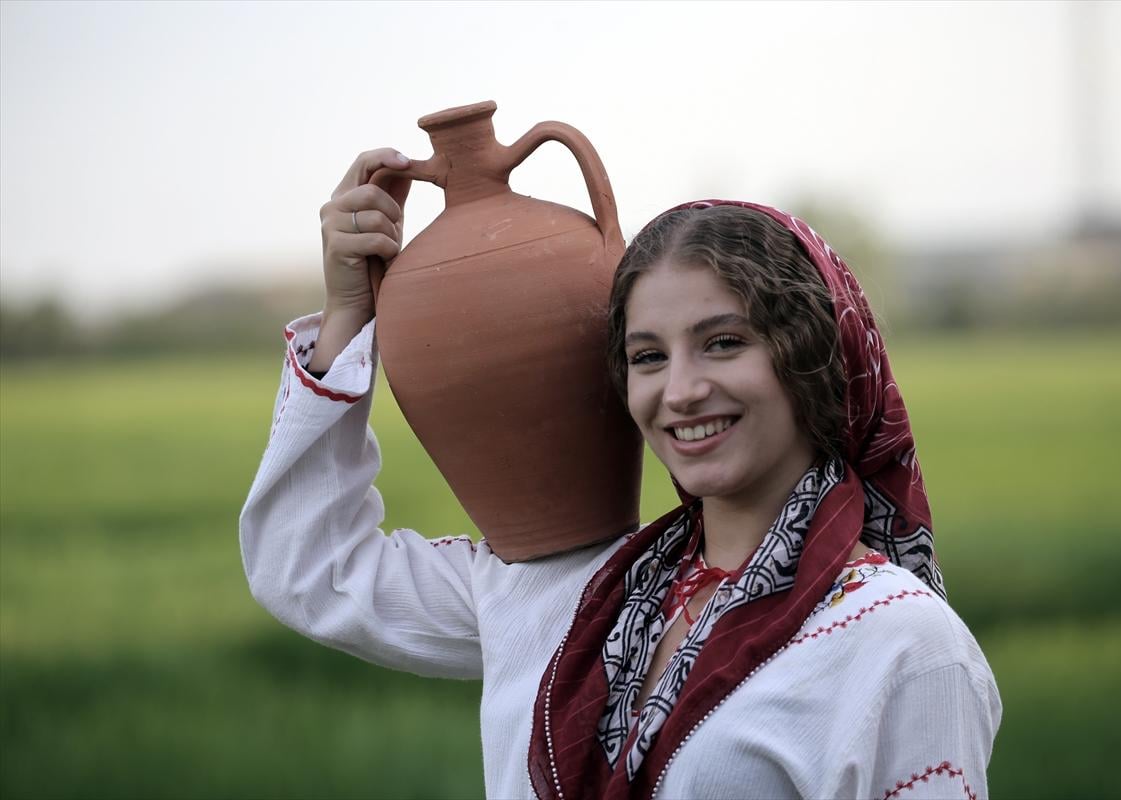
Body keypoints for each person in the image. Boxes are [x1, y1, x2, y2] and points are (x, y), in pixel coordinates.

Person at [240, 148, 1001, 800]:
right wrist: (347, 312)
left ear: (811, 352)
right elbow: (309, 565)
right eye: (648, 357)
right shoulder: (573, 593)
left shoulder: (901, 643)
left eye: (724, 342)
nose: (680, 389)